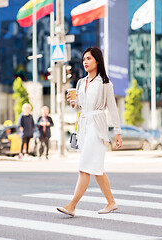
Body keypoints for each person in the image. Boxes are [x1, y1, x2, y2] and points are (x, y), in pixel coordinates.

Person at [57, 47, 123, 217]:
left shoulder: (105, 83)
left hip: (97, 126)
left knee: (84, 167)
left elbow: (113, 108)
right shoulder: (80, 82)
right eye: (84, 59)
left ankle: (72, 205)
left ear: (97, 61)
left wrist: (117, 132)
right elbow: (79, 107)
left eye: (89, 59)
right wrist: (74, 103)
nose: (85, 62)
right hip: (84, 127)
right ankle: (111, 202)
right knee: (97, 170)